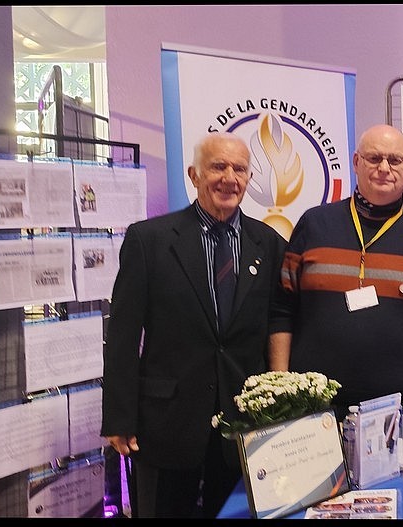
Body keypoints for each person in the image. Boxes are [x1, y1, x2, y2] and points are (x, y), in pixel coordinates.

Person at [101, 132, 287, 518]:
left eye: (239, 169)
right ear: (194, 174)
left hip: (242, 422)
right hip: (167, 423)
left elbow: (275, 321)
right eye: (218, 167)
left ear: (249, 178)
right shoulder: (149, 240)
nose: (229, 178)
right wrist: (119, 416)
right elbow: (122, 333)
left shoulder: (269, 244)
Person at [268, 124, 403, 441]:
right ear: (356, 162)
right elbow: (282, 310)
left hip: (398, 413)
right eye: (374, 158)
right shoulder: (313, 225)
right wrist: (282, 389)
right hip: (311, 410)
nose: (384, 168)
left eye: (394, 160)